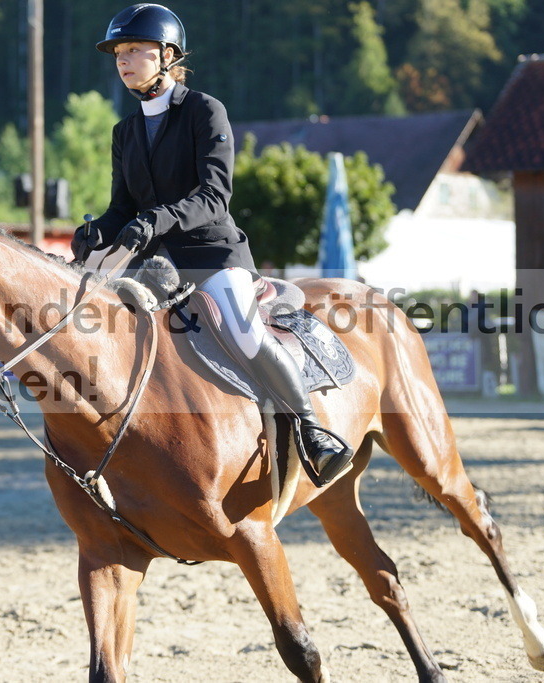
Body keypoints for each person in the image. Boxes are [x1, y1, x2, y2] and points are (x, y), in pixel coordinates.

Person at [72, 3, 353, 484]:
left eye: (136, 50)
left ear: (167, 55)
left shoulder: (204, 110)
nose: (123, 60)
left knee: (245, 333)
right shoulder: (125, 131)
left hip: (212, 256)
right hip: (156, 264)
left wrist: (157, 219)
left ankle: (311, 431)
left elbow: (214, 193)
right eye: (119, 52)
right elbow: (123, 206)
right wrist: (99, 228)